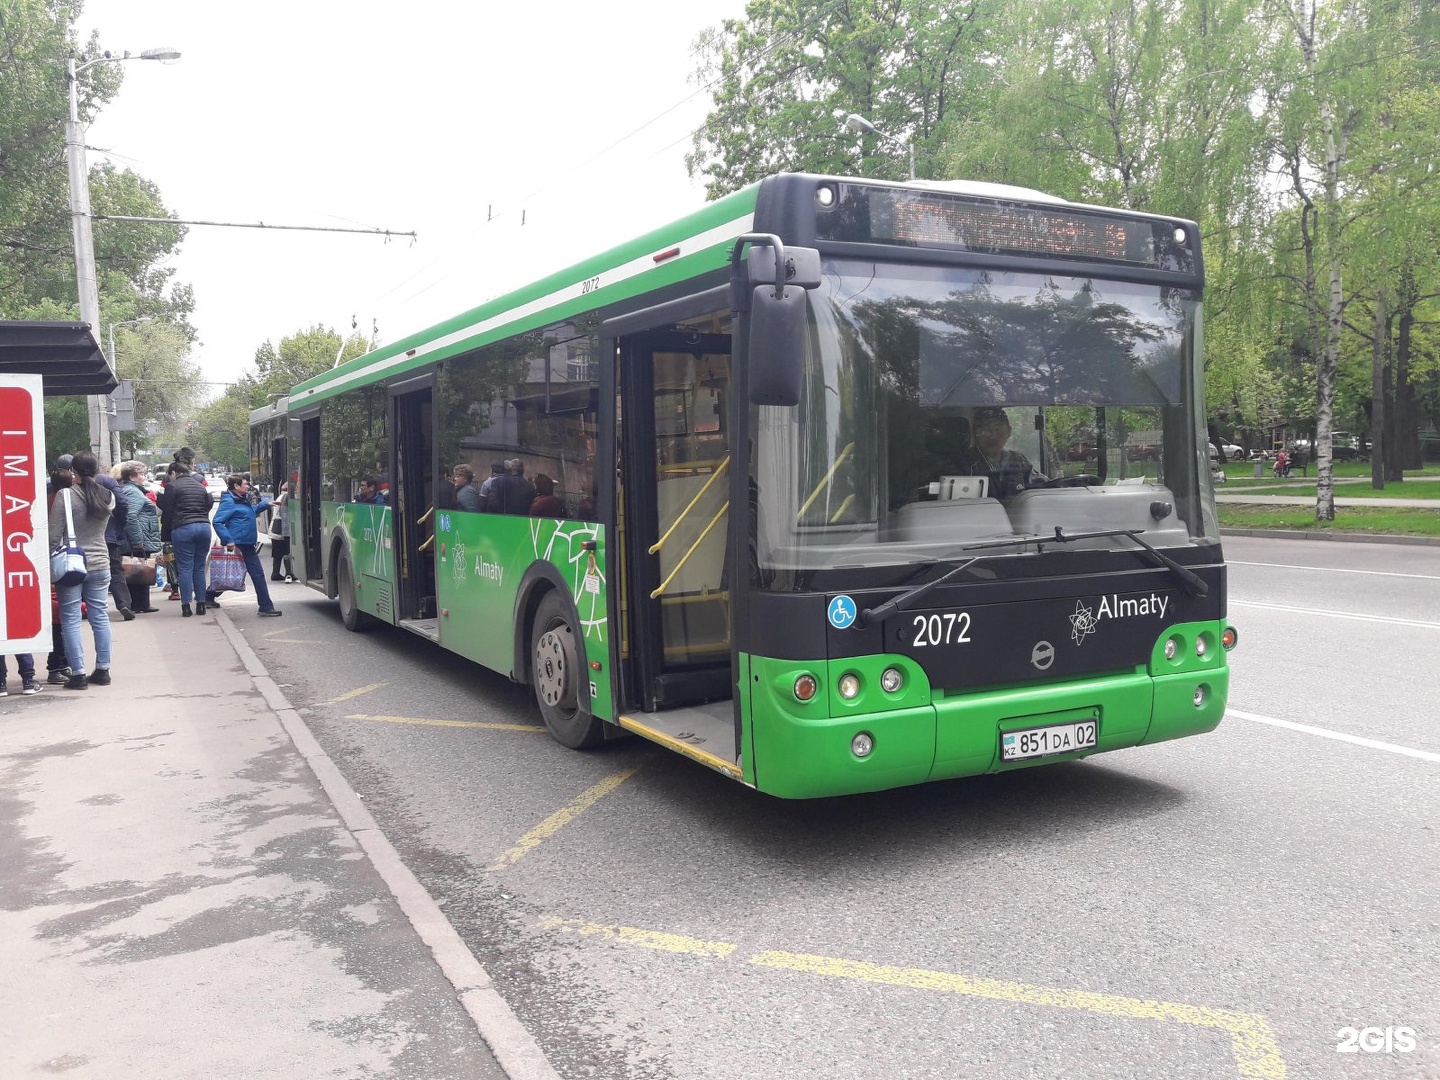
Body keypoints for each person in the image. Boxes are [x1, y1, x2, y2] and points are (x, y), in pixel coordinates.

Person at [48, 450, 115, 690]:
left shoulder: (65, 496)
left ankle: (77, 674)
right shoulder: (107, 495)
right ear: (96, 470)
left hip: (71, 564)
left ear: (72, 471)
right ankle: (103, 670)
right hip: (101, 562)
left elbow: (54, 536)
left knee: (71, 619)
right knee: (100, 616)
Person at [213, 473, 281, 617]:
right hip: (236, 545)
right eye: (245, 484)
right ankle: (207, 596)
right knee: (230, 575)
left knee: (257, 574)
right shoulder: (229, 501)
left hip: (247, 545)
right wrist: (228, 540)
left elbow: (250, 512)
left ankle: (265, 607)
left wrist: (266, 504)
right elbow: (217, 522)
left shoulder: (243, 500)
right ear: (236, 486)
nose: (248, 486)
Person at [955, 406, 1047, 498]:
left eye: (997, 429)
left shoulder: (1017, 460)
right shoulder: (962, 463)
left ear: (1009, 431)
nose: (991, 436)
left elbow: (1041, 486)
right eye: (984, 430)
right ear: (975, 433)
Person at [163, 463, 214, 617]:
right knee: (199, 567)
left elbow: (168, 512)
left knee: (185, 568)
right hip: (204, 527)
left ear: (173, 473)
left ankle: (186, 606)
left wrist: (166, 535)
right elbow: (209, 502)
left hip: (183, 528)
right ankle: (201, 604)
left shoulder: (172, 487)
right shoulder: (199, 485)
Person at [118, 461, 162, 614]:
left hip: (139, 536)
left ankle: (141, 603)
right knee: (138, 570)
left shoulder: (132, 490)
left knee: (140, 570)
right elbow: (130, 516)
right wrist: (138, 540)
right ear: (132, 476)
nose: (144, 477)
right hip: (137, 538)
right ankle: (139, 604)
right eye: (141, 474)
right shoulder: (132, 491)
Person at [99, 462, 135, 621]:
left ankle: (87, 607)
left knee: (86, 571)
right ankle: (124, 603)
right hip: (109, 534)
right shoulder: (107, 482)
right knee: (115, 570)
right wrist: (119, 523)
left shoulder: (76, 483)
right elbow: (122, 503)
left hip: (83, 536)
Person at [268, 480, 295, 581]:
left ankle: (275, 573)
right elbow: (285, 514)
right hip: (282, 530)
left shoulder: (281, 496)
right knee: (286, 551)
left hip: (275, 529)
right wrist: (287, 532)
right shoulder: (287, 496)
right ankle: (289, 573)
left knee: (277, 553)